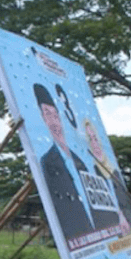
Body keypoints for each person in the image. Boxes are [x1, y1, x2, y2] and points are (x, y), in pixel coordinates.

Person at [35, 83, 95, 241]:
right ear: (42, 118)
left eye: (55, 115)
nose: (54, 122)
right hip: (76, 238)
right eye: (47, 115)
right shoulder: (47, 162)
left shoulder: (80, 160)